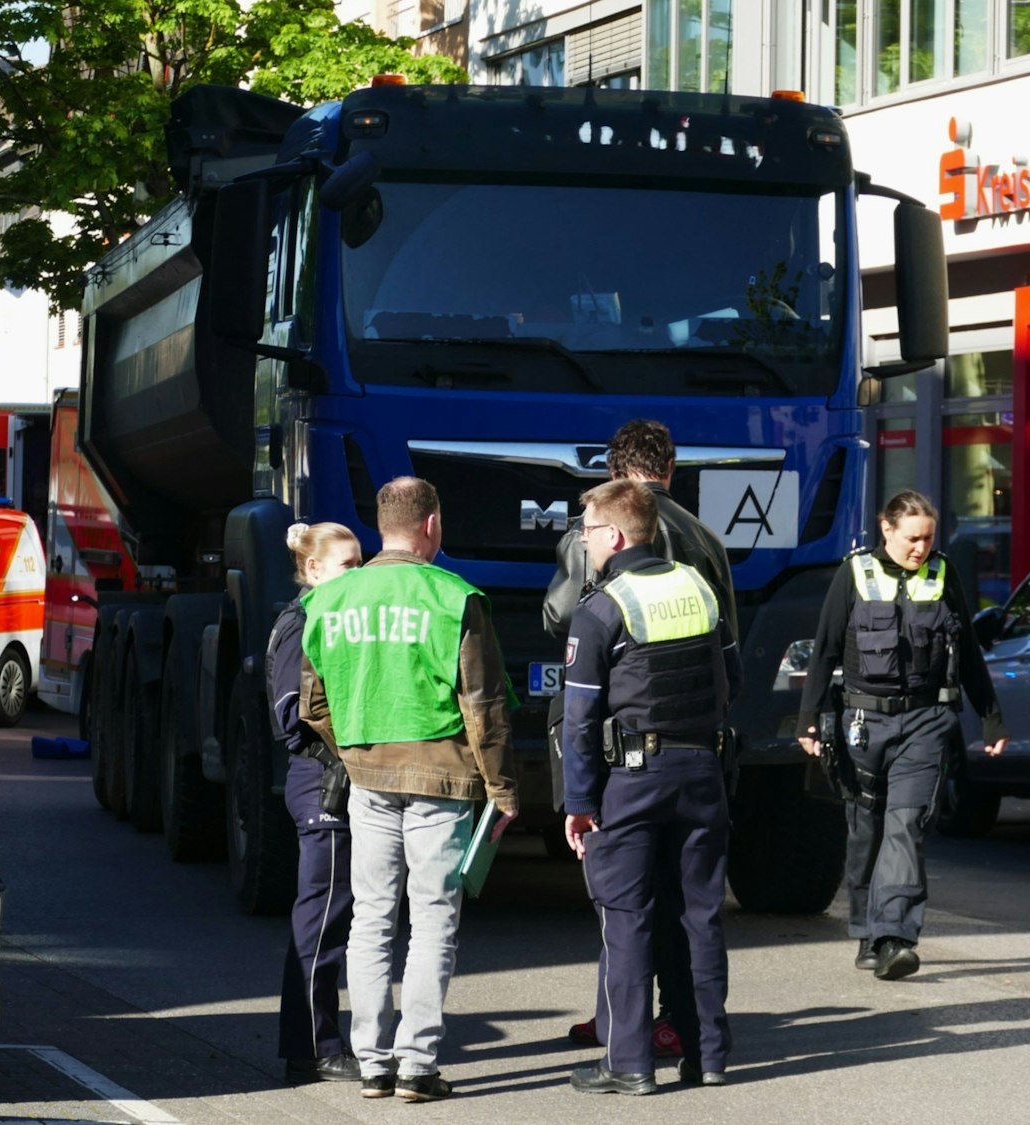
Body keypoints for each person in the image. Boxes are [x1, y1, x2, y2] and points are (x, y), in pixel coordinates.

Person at [301, 477, 519, 1101]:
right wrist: (503, 789)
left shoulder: (329, 601)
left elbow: (313, 703)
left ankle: (372, 1062)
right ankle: (417, 1065)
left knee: (371, 917)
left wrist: (354, 748)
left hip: (367, 776)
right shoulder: (455, 598)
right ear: (431, 525)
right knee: (432, 920)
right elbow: (483, 705)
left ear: (381, 525)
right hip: (442, 778)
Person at [543, 419, 738, 1061]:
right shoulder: (706, 542)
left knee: (623, 905)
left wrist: (579, 796)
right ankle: (697, 1039)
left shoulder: (597, 540)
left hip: (623, 755)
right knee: (692, 906)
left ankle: (621, 1038)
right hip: (697, 749)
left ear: (614, 473)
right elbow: (728, 659)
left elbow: (562, 620)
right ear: (670, 469)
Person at [797, 490, 1009, 980]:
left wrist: (991, 716)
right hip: (862, 722)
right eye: (913, 538)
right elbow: (825, 649)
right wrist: (809, 717)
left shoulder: (944, 574)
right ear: (886, 528)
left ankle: (894, 937)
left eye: (928, 538)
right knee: (866, 829)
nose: (921, 548)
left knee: (906, 824)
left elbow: (968, 653)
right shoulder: (853, 574)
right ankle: (866, 928)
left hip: (925, 721)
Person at [269, 521, 362, 1086]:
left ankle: (324, 1041)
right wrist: (343, 752)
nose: (358, 573)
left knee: (338, 914)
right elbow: (290, 715)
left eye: (360, 562)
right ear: (313, 569)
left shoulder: (336, 616)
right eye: (348, 564)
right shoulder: (302, 621)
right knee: (322, 916)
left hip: (339, 779)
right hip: (321, 780)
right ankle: (313, 1047)